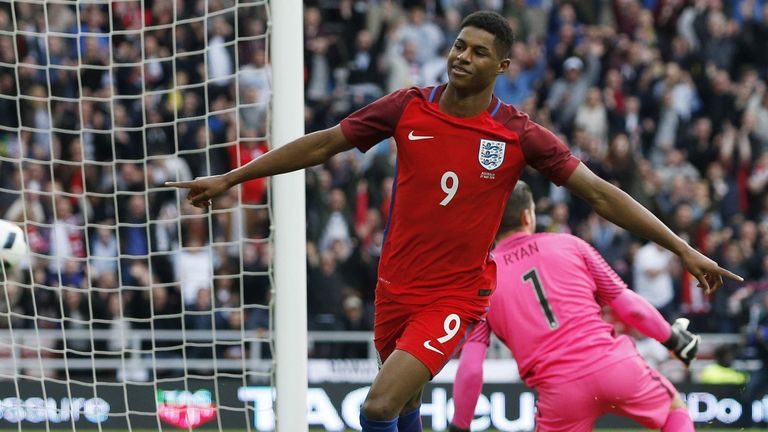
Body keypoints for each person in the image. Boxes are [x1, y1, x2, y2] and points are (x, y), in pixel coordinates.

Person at [167, 11, 740, 432]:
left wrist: (681, 247)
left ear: (503, 65)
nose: (462, 57)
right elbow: (322, 144)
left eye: (477, 51)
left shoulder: (517, 133)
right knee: (409, 409)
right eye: (459, 46)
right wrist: (230, 180)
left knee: (378, 408)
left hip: (454, 297)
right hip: (393, 289)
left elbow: (602, 194)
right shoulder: (408, 105)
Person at [449, 182, 701, 432]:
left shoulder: (483, 281)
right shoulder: (571, 245)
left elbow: (471, 366)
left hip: (559, 392)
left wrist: (460, 426)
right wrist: (674, 340)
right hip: (614, 366)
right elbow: (629, 306)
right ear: (528, 216)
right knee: (673, 411)